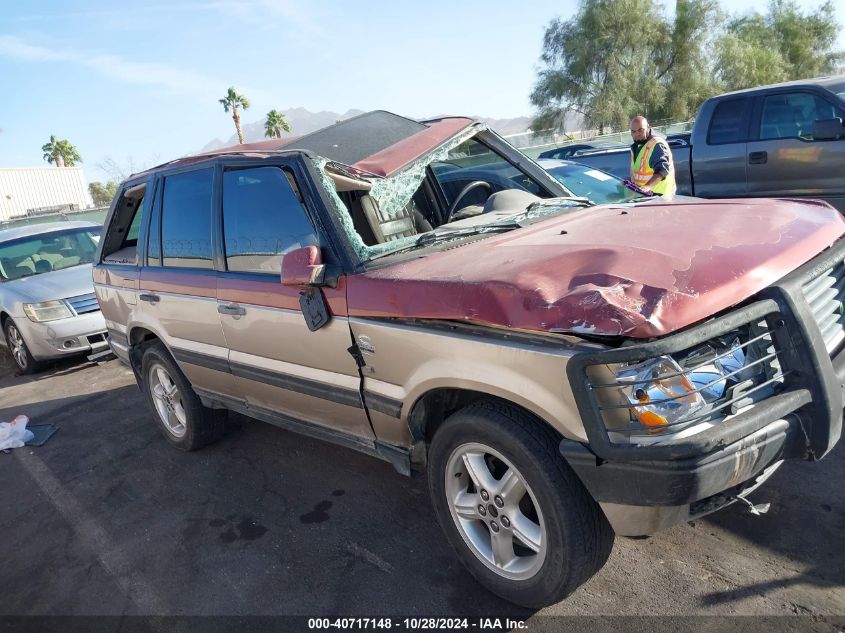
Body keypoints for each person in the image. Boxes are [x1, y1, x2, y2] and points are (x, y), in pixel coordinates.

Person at [628, 116, 676, 197]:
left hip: (661, 199)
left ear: (648, 127)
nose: (637, 134)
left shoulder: (656, 144)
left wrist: (647, 186)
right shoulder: (637, 146)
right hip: (645, 198)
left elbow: (662, 170)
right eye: (633, 131)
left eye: (640, 130)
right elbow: (638, 175)